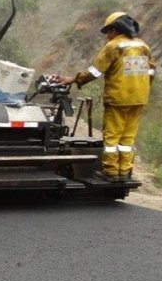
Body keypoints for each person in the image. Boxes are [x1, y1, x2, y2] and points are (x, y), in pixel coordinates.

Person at [56, 11, 156, 182]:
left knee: (112, 136)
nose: (107, 37)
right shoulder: (143, 46)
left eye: (108, 32)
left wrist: (73, 79)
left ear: (115, 30)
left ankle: (110, 171)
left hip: (118, 98)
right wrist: (140, 88)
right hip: (139, 99)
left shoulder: (114, 47)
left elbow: (95, 71)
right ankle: (124, 172)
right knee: (128, 137)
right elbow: (151, 71)